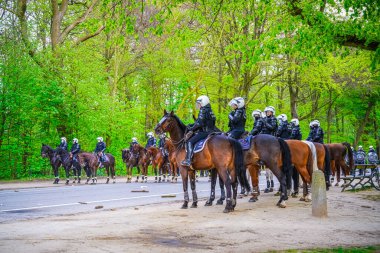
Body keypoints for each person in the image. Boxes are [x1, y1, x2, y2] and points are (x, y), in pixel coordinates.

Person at [181, 95, 216, 166]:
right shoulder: (210, 110)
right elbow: (201, 121)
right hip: (212, 131)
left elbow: (199, 123)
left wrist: (191, 128)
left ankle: (188, 160)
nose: (198, 105)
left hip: (204, 132)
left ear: (203, 103)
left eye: (199, 103)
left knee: (190, 142)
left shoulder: (203, 110)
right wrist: (192, 124)